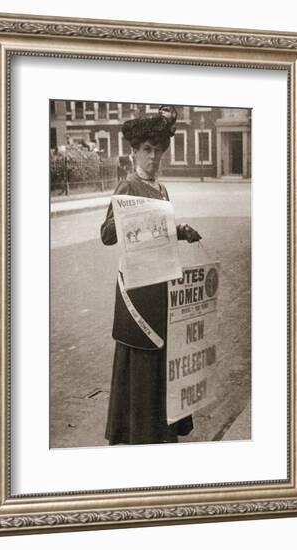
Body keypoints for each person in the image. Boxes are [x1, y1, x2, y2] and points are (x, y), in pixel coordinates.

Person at [101, 105, 201, 445]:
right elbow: (106, 234)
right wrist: (126, 219)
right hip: (136, 292)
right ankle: (138, 432)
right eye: (147, 150)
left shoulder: (162, 190)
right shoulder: (127, 186)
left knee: (163, 354)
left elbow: (162, 231)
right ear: (134, 152)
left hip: (160, 285)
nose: (153, 158)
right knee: (141, 354)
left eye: (157, 151)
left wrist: (182, 230)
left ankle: (163, 431)